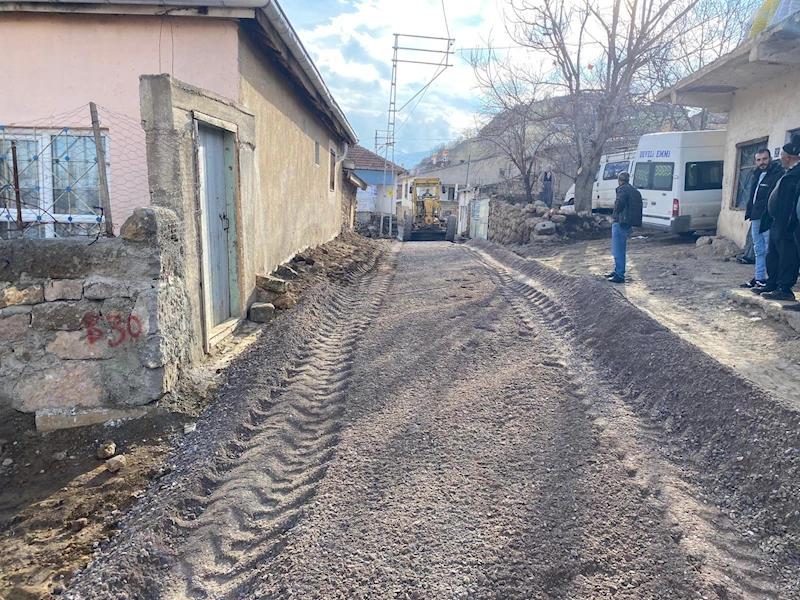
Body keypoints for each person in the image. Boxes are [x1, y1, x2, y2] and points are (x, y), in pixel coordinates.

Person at [753, 135, 800, 301]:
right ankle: (772, 283)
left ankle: (784, 288)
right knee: (772, 254)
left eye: (781, 156)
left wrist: (789, 222)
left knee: (787, 256)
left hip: (788, 223)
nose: (780, 158)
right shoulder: (787, 172)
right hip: (776, 221)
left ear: (787, 156)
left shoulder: (796, 174)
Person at [741, 148, 783, 288]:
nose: (762, 162)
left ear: (770, 158)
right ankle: (759, 278)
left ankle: (769, 279)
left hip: (767, 217)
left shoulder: (776, 174)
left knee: (768, 249)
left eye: (764, 159)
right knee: (758, 249)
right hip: (755, 217)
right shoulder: (757, 174)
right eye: (759, 160)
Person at [606, 171, 643, 284]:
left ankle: (619, 274)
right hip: (628, 223)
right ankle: (617, 270)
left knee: (617, 250)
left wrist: (615, 213)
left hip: (620, 222)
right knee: (621, 248)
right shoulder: (634, 190)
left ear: (619, 180)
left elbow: (619, 204)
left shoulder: (622, 190)